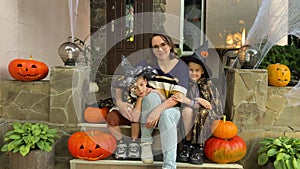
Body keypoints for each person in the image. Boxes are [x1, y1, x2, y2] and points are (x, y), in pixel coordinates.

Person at [135, 33, 189, 169]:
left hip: (173, 109)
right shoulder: (147, 66)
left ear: (170, 45)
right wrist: (120, 100)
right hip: (150, 106)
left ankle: (169, 166)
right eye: (155, 46)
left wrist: (158, 110)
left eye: (163, 45)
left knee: (166, 114)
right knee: (152, 96)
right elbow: (129, 82)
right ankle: (146, 143)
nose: (160, 49)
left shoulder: (181, 67)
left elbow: (177, 98)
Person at [172, 48, 223, 164]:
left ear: (202, 72)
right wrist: (195, 101)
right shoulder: (184, 83)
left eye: (197, 70)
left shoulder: (208, 85)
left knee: (202, 111)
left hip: (205, 116)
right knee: (187, 111)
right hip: (188, 115)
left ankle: (198, 147)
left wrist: (198, 100)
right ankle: (187, 144)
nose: (193, 73)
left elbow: (211, 106)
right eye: (190, 70)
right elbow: (180, 99)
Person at [106, 57, 162, 160]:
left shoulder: (149, 92)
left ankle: (134, 142)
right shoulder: (126, 92)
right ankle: (121, 143)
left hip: (137, 119)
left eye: (141, 85)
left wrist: (140, 98)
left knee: (134, 118)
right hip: (124, 113)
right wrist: (120, 103)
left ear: (145, 81)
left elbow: (135, 117)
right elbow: (117, 87)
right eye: (135, 87)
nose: (140, 89)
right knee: (110, 117)